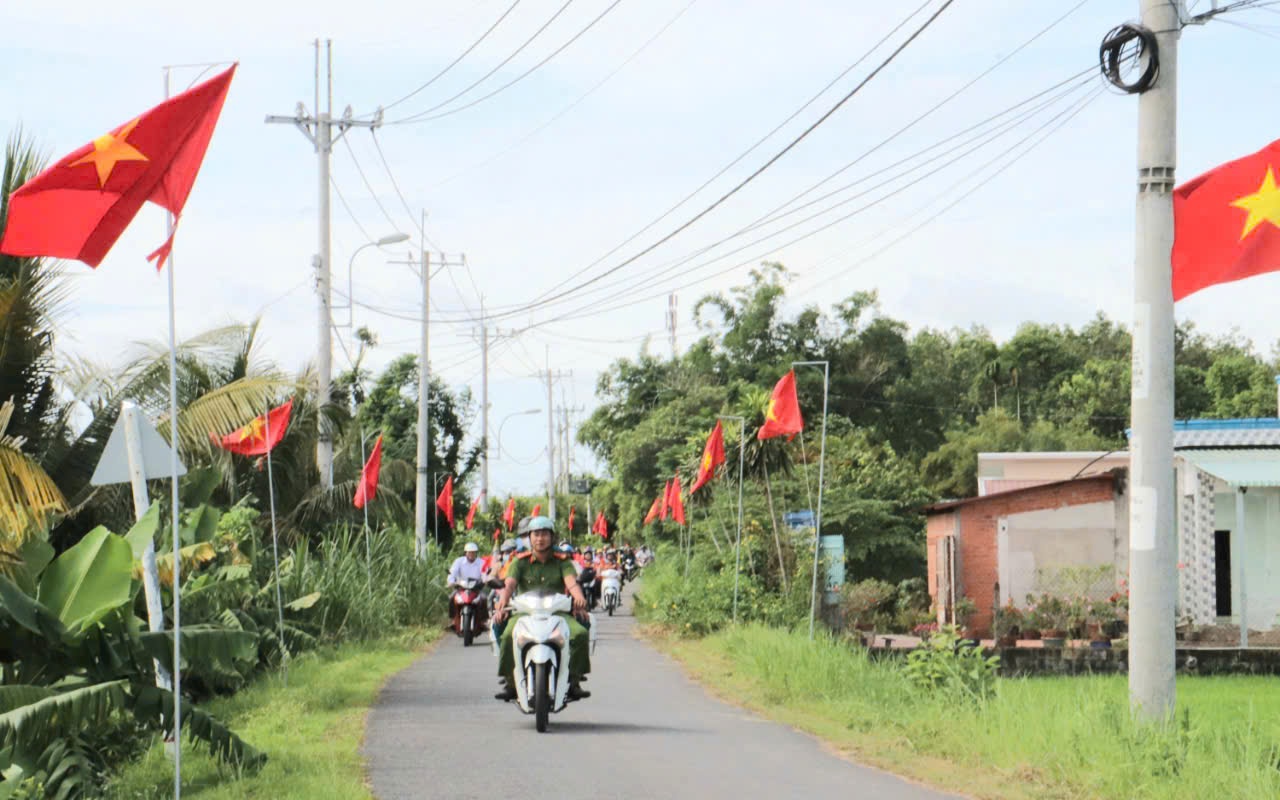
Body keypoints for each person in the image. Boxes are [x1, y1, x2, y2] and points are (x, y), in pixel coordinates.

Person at [492, 516, 591, 701]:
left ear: (552, 537)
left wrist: (579, 598)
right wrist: (502, 601)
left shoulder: (563, 561)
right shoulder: (518, 562)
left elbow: (572, 584)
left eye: (544, 534)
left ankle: (574, 680)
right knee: (506, 635)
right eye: (536, 534)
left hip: (557, 613)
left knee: (579, 633)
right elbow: (509, 586)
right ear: (529, 537)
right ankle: (510, 682)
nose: (540, 538)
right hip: (524, 613)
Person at [447, 542, 487, 630]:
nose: (471, 554)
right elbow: (452, 572)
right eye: (469, 552)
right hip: (461, 587)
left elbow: (484, 573)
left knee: (484, 598)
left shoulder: (481, 562)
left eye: (473, 552)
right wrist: (451, 581)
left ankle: (483, 621)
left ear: (476, 553)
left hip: (476, 587)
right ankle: (453, 620)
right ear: (465, 553)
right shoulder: (459, 561)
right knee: (451, 597)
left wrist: (485, 580)